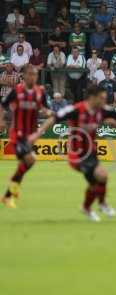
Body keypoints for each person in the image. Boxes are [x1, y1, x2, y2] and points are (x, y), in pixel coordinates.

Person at [31, 85, 116, 222]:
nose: (104, 100)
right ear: (92, 97)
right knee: (99, 177)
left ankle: (92, 206)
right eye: (101, 98)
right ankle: (97, 205)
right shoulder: (76, 109)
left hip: (91, 152)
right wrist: (37, 134)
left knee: (102, 178)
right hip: (77, 154)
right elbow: (53, 119)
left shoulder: (102, 110)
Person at [0, 66, 51, 208]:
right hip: (18, 134)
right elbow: (2, 105)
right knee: (29, 160)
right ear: (24, 76)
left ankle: (11, 190)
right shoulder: (16, 91)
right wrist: (1, 121)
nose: (32, 77)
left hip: (31, 135)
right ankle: (10, 192)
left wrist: (49, 113)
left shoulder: (40, 92)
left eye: (34, 75)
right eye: (29, 74)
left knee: (27, 163)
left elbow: (44, 108)